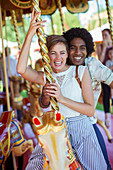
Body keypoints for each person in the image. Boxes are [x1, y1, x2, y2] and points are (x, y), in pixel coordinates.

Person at [17, 10, 107, 169]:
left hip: (80, 129)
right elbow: (21, 69)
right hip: (54, 129)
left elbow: (90, 110)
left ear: (67, 54)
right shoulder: (46, 76)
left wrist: (62, 98)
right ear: (47, 56)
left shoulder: (80, 72)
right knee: (34, 166)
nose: (58, 58)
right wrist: (30, 33)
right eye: (53, 53)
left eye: (62, 53)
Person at [63, 27, 113, 169]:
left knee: (103, 164)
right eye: (73, 48)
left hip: (88, 124)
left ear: (88, 49)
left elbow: (111, 80)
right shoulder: (63, 67)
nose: (78, 52)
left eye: (82, 48)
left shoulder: (91, 65)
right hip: (65, 128)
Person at [96, 28, 112, 128]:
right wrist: (105, 47)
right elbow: (100, 60)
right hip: (105, 72)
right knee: (106, 92)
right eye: (103, 35)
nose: (104, 37)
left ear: (110, 35)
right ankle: (107, 116)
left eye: (106, 35)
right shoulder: (100, 46)